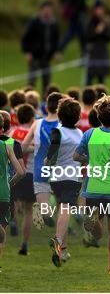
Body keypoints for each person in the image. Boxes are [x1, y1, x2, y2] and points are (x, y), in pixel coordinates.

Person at [73, 95, 110, 277]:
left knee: (97, 229)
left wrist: (89, 160)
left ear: (98, 116)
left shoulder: (89, 134)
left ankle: (94, 222)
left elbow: (76, 156)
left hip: (92, 187)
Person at [44, 97, 83, 267]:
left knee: (62, 211)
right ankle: (58, 240)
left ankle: (63, 251)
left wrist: (47, 161)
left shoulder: (57, 132)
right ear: (78, 117)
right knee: (66, 210)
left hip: (56, 178)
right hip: (72, 177)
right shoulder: (80, 134)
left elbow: (51, 154)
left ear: (59, 115)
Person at [21, 92, 63, 230]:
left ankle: (44, 213)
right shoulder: (64, 126)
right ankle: (62, 247)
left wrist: (37, 148)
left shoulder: (37, 124)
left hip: (40, 171)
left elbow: (22, 147)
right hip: (60, 171)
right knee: (63, 211)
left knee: (45, 210)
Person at [0, 112, 26, 267]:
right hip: (4, 192)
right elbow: (21, 172)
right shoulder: (8, 146)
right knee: (2, 227)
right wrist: (9, 182)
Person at [10, 104, 36, 255]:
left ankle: (12, 221)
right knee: (28, 211)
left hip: (15, 173)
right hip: (30, 174)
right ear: (32, 118)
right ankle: (24, 244)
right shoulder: (34, 134)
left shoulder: (14, 132)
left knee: (12, 203)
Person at [21, 0, 61, 94]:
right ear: (41, 10)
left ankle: (45, 103)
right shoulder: (34, 22)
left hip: (46, 57)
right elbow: (25, 38)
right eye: (45, 10)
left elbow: (56, 40)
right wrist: (27, 52)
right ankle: (28, 100)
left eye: (49, 10)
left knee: (47, 82)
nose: (47, 12)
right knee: (32, 81)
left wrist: (56, 51)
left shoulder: (54, 24)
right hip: (35, 56)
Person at [85, 0, 110, 85]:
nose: (100, 11)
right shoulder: (91, 22)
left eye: (101, 9)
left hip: (102, 51)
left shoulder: (105, 22)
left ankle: (102, 96)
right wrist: (96, 31)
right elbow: (87, 36)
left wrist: (105, 27)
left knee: (101, 78)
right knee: (90, 77)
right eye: (98, 9)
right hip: (93, 52)